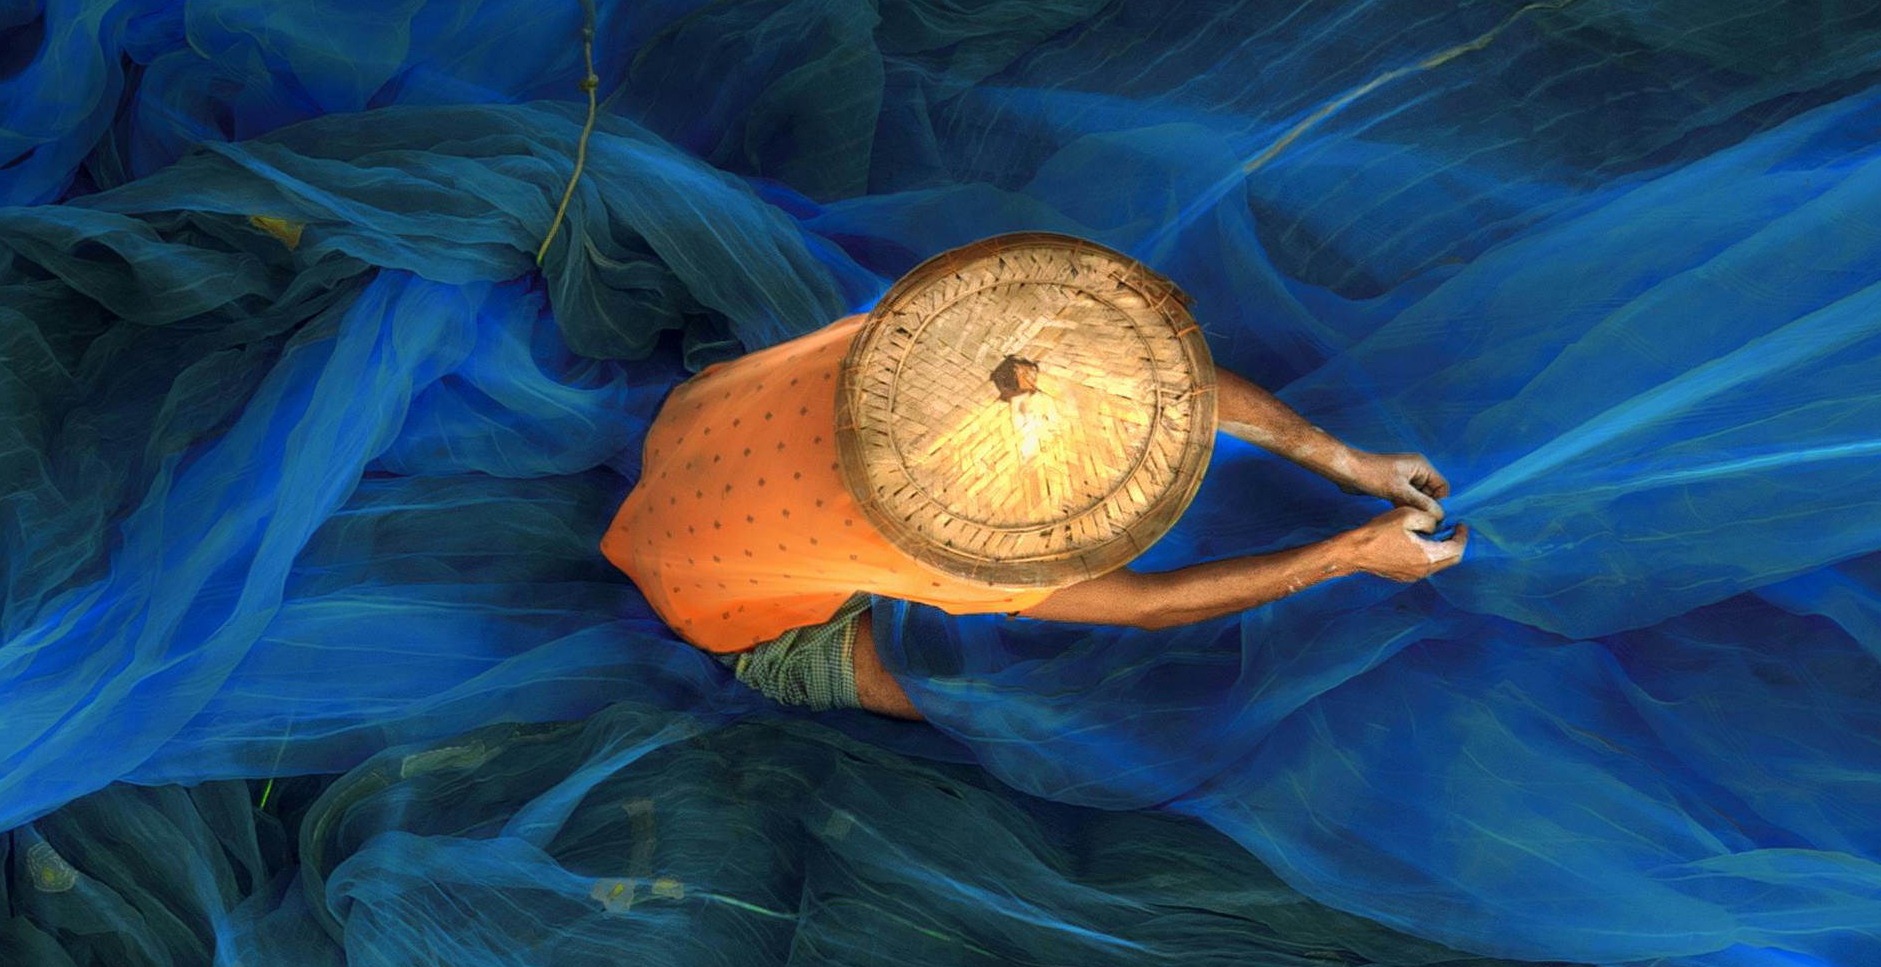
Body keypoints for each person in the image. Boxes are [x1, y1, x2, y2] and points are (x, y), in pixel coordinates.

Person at [603, 235, 1460, 721]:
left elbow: (1169, 373)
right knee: (983, 708)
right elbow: (1153, 606)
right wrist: (1347, 553)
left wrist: (1346, 461)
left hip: (701, 425)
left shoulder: (932, 343)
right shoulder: (957, 559)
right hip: (731, 615)